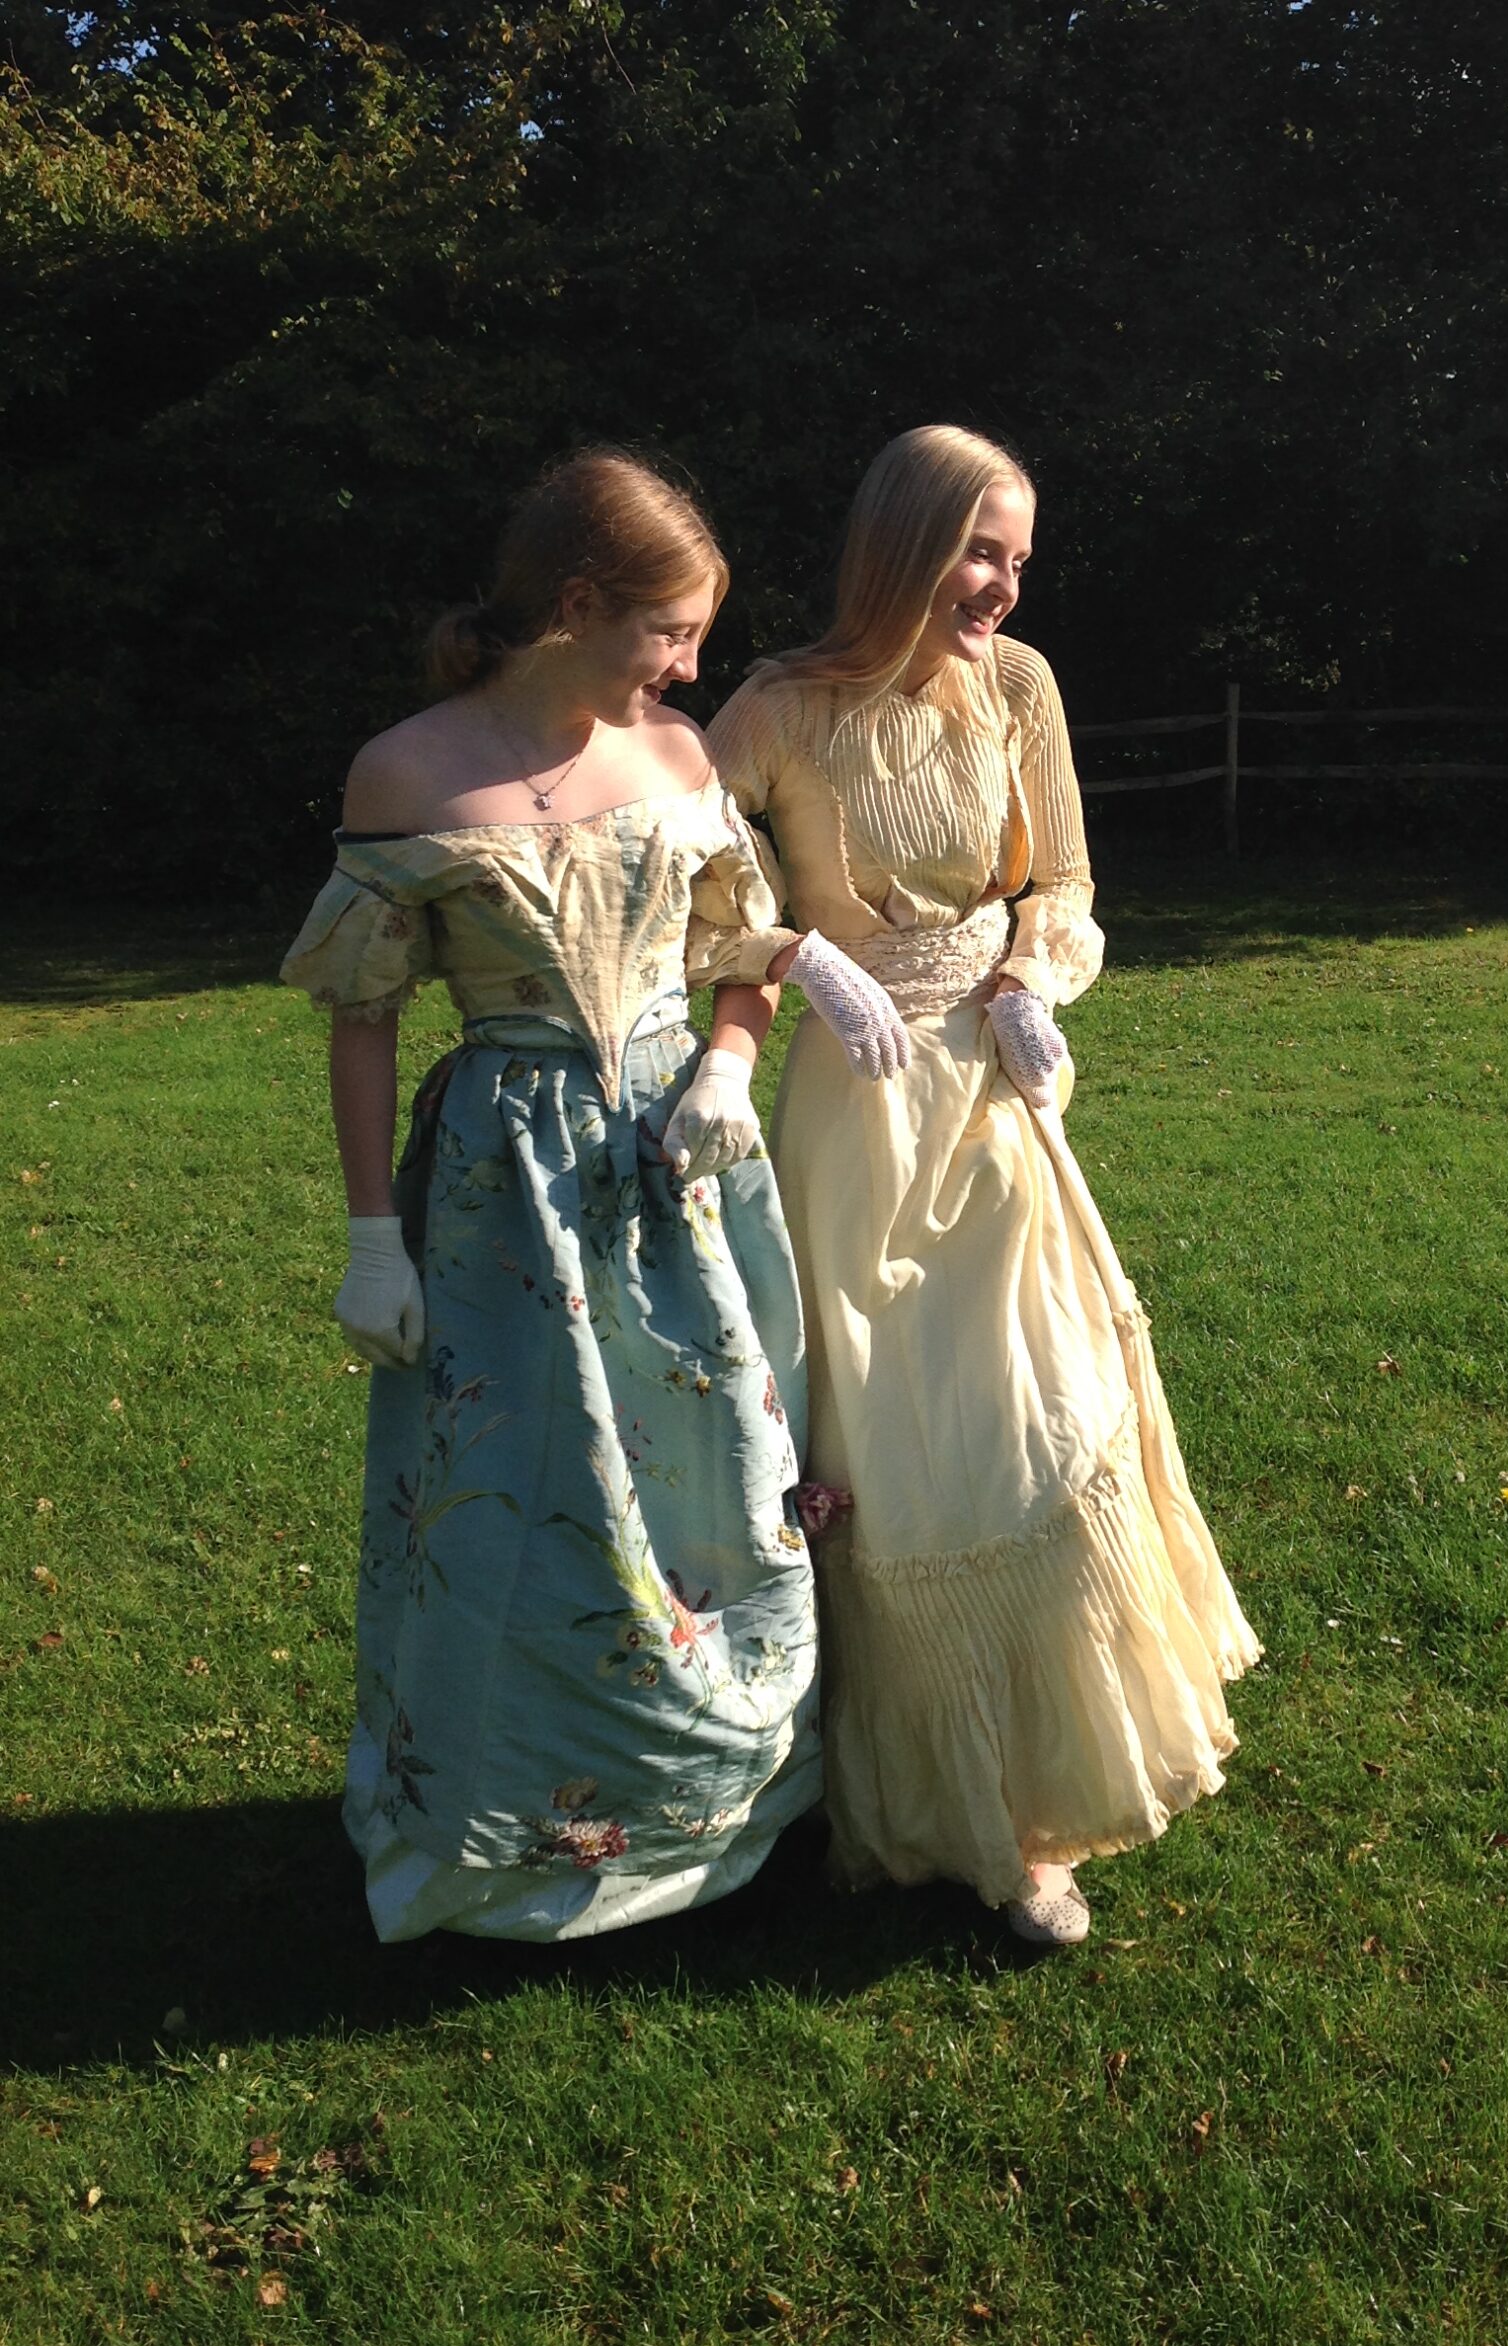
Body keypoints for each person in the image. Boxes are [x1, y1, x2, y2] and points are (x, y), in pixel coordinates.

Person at [282, 447, 913, 1942]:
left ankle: (716, 1804)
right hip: (506, 1186)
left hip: (677, 1171)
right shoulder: (410, 770)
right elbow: (361, 1017)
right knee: (519, 1503)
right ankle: (503, 1840)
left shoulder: (682, 757)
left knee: (713, 1480)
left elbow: (746, 956)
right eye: (671, 632)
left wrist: (726, 1072)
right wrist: (373, 1233)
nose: (692, 664)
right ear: (575, 604)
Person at [708, 424, 1260, 1949]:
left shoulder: (1019, 690)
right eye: (980, 551)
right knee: (902, 1448)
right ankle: (909, 1796)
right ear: (901, 545)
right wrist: (791, 952)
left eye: (1020, 556)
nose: (1006, 586)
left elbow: (1067, 879)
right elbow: (667, 866)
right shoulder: (775, 708)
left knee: (1043, 1413)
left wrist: (1034, 975)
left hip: (1000, 1094)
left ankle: (1028, 1810)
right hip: (858, 1111)